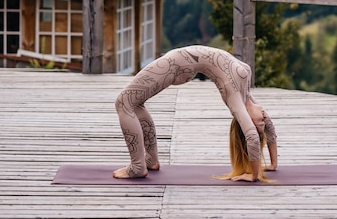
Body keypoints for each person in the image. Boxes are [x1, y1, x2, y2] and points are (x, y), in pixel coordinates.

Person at [113, 45, 278, 182]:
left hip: (175, 64)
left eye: (259, 124)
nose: (264, 118)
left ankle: (137, 167)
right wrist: (273, 164)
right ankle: (150, 160)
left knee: (123, 102)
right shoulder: (246, 94)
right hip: (182, 63)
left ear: (247, 121)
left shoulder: (236, 100)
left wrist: (253, 175)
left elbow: (252, 137)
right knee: (134, 103)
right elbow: (268, 127)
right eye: (263, 121)